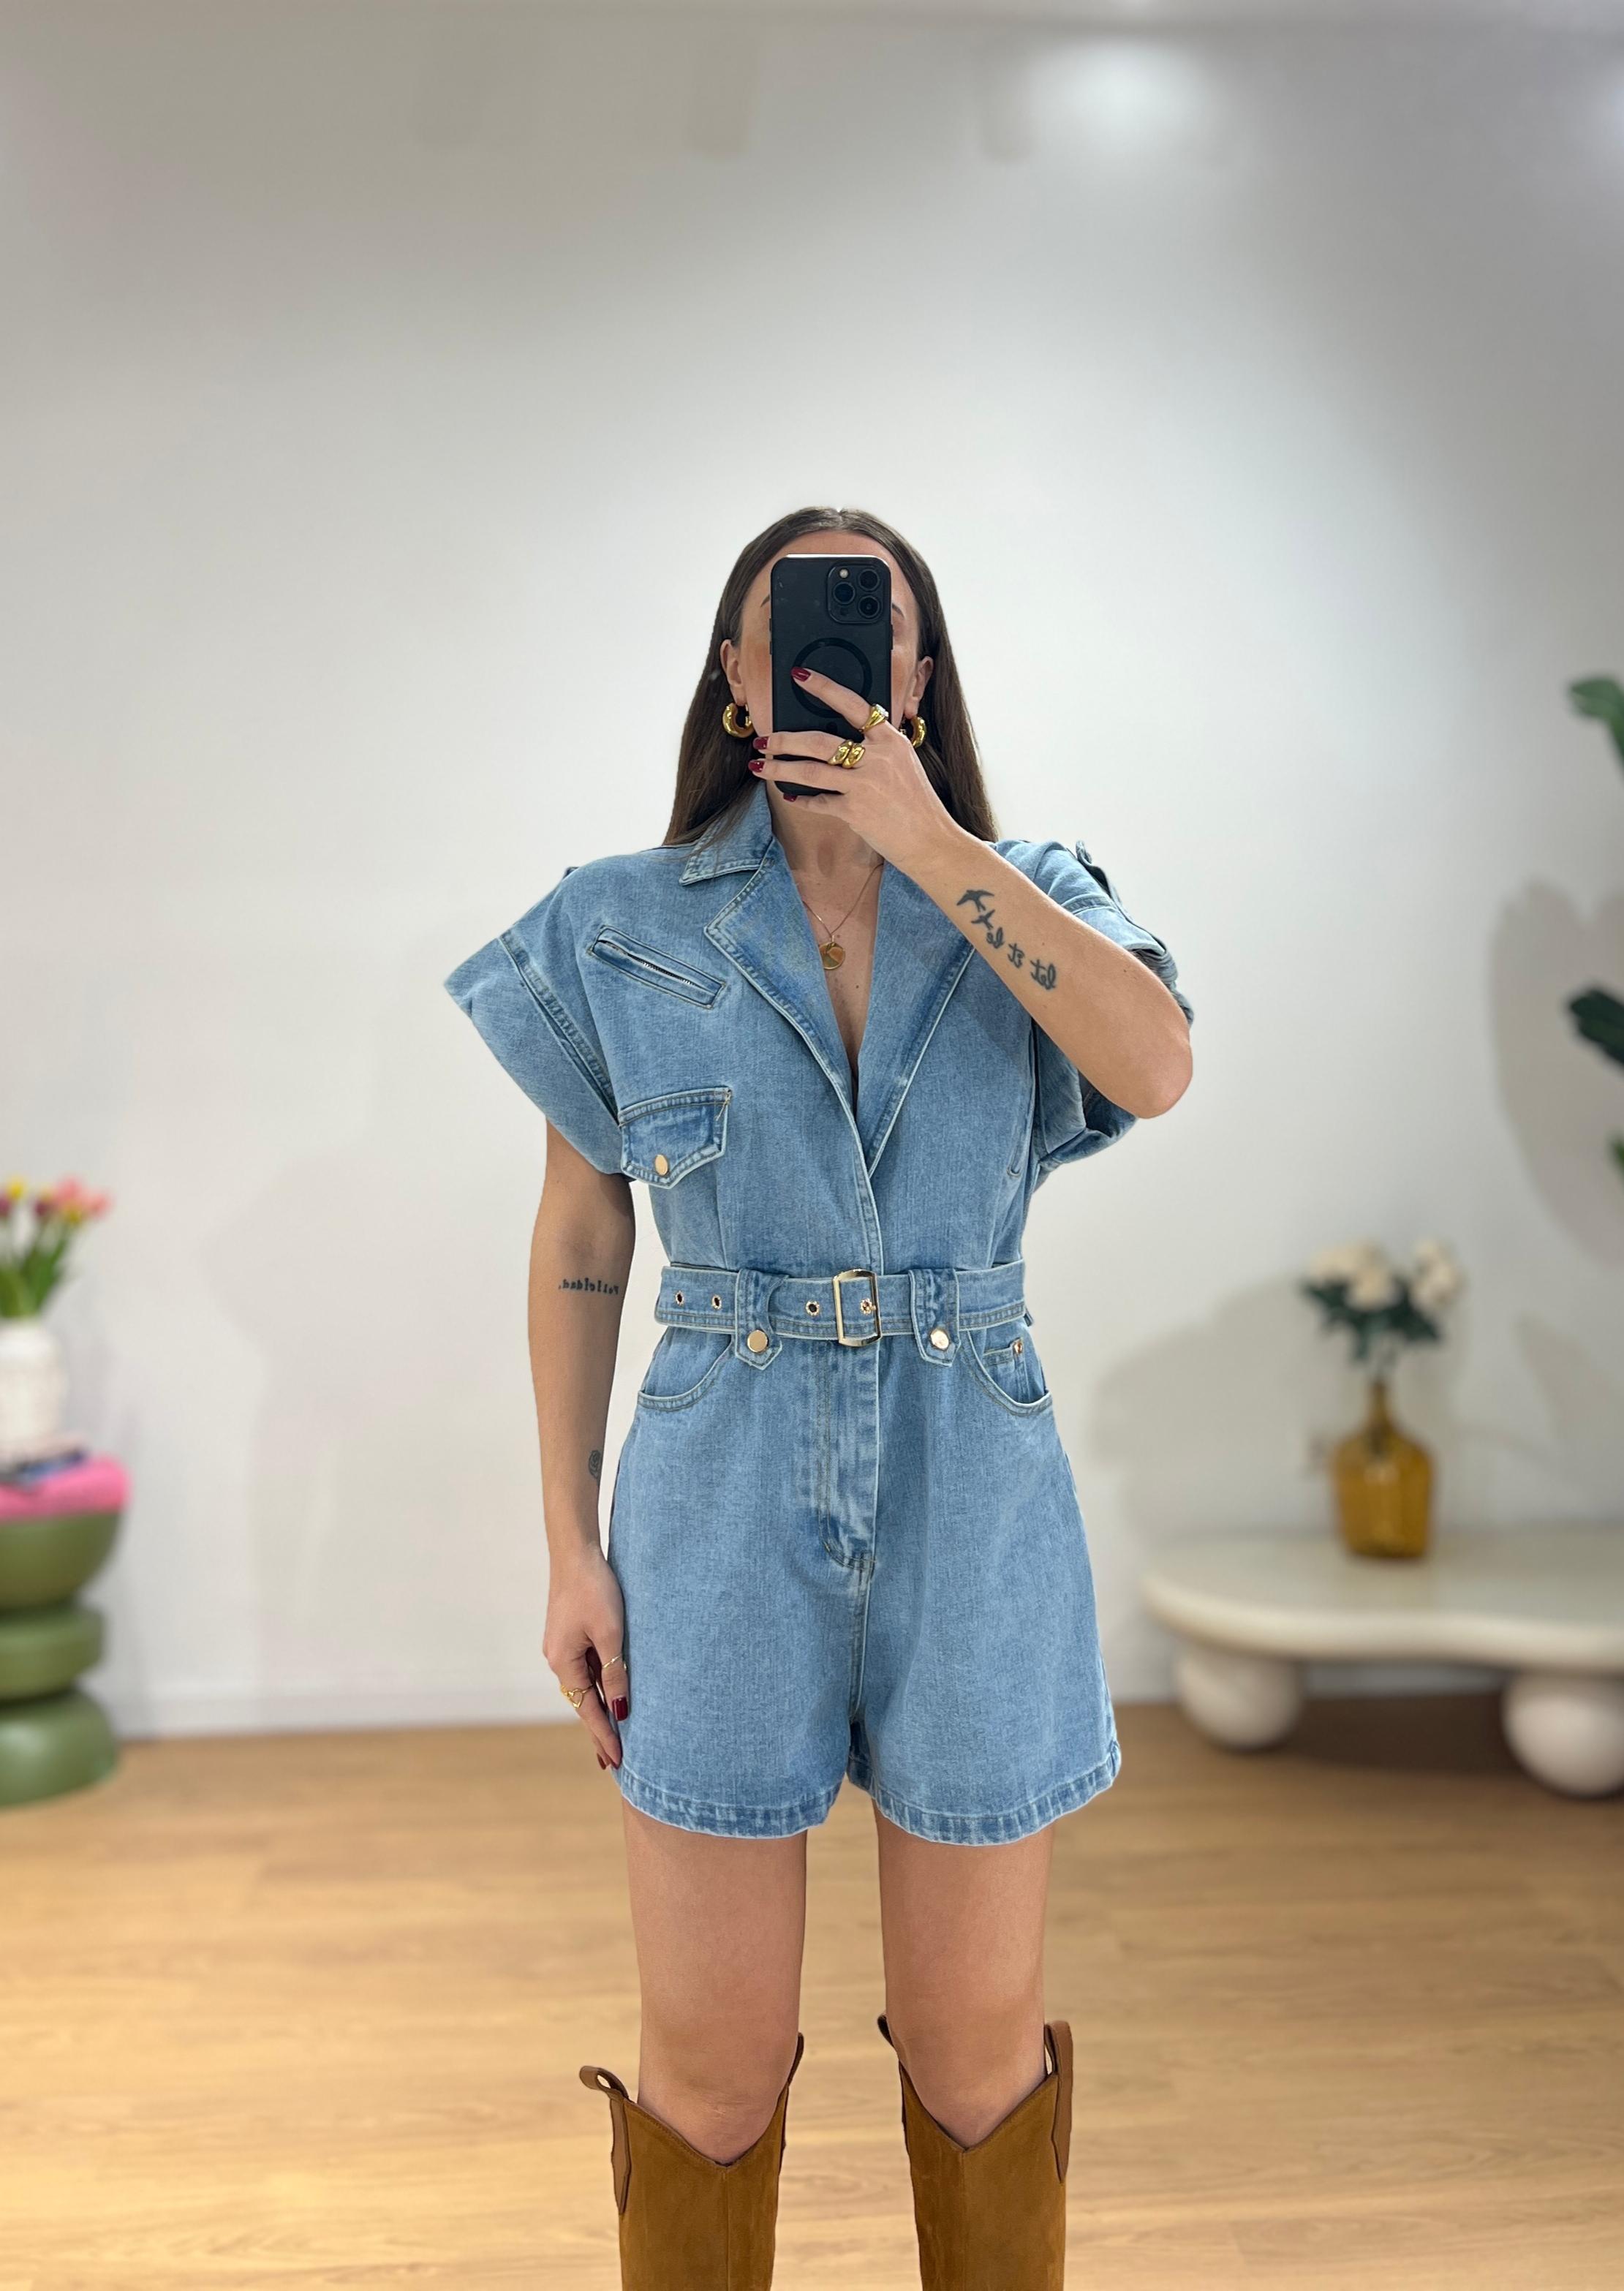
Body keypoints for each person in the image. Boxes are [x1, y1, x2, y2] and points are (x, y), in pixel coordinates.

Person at [442, 505, 1194, 2288]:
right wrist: (565, 1544)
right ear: (735, 669)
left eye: (875, 623)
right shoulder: (617, 924)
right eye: (790, 625)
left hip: (972, 1481)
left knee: (975, 2055)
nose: (835, 651)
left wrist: (929, 841)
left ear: (918, 672)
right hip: (717, 1487)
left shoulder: (1025, 889)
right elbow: (580, 1233)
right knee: (707, 2064)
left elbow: (1155, 1063)